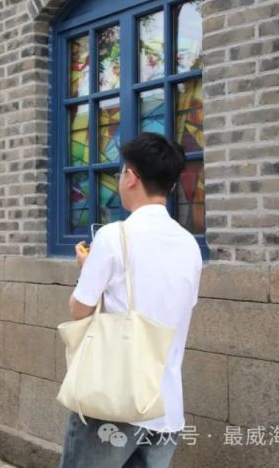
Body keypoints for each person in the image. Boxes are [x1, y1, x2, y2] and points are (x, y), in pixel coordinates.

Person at [60, 133, 203, 468]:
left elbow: (79, 309)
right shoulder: (190, 245)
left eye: (122, 172)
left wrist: (86, 269)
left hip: (114, 400)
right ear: (170, 185)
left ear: (132, 177)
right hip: (166, 405)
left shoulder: (113, 236)